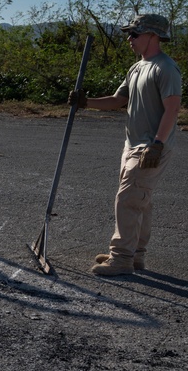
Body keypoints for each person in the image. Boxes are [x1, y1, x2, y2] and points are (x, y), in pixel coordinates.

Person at [68, 14, 182, 276]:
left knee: (128, 199)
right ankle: (135, 255)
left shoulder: (165, 68)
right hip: (132, 145)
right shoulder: (137, 67)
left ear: (153, 36)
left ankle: (121, 259)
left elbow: (172, 109)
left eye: (134, 34)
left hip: (151, 147)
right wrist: (86, 102)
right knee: (140, 200)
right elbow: (118, 100)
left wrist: (157, 144)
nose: (129, 39)